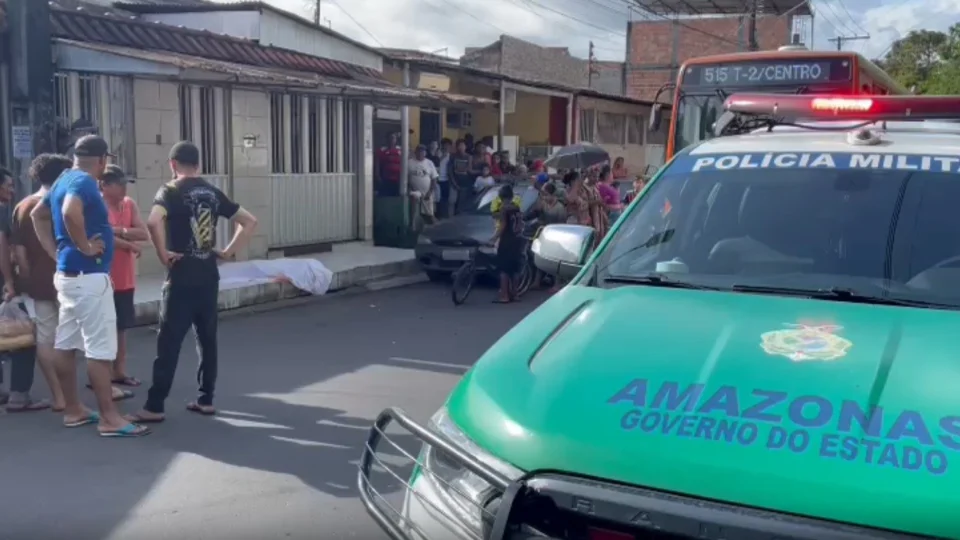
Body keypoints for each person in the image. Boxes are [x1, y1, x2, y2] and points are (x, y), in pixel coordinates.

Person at [128, 141, 257, 423]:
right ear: (198, 164)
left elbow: (152, 222)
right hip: (209, 276)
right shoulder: (212, 192)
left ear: (173, 164)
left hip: (182, 277)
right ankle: (206, 399)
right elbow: (249, 222)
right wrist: (227, 251)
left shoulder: (170, 190)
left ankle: (154, 406)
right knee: (207, 339)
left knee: (169, 343)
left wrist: (163, 255)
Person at [29, 135, 149, 437]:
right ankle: (110, 418)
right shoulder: (83, 182)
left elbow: (37, 214)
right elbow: (70, 212)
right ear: (102, 160)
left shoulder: (62, 179)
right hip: (89, 277)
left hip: (68, 277)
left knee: (65, 343)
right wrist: (83, 246)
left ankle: (73, 410)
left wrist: (56, 251)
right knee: (99, 350)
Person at [7, 154, 73, 413]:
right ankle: (76, 396)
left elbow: (18, 253)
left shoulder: (21, 206)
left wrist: (25, 279)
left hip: (38, 282)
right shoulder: (63, 202)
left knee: (46, 337)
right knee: (73, 338)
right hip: (69, 277)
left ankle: (58, 397)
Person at [0, 166, 47, 413]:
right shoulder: (0, 212)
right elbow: (2, 248)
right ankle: (19, 395)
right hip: (4, 283)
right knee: (20, 335)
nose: (11, 189)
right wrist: (9, 281)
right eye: (7, 184)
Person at [100, 165, 147, 387]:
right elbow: (102, 236)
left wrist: (119, 231)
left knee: (122, 327)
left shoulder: (129, 205)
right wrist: (131, 243)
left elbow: (143, 233)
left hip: (125, 277)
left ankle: (119, 371)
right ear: (105, 185)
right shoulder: (97, 205)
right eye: (120, 184)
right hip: (104, 277)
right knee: (104, 328)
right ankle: (103, 374)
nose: (124, 188)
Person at [489, 184, 524, 304]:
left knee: (504, 269)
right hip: (517, 240)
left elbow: (503, 225)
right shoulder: (516, 207)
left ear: (502, 197)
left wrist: (494, 238)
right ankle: (515, 294)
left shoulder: (504, 208)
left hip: (507, 240)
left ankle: (504, 296)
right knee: (515, 269)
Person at [408, 144, 439, 226]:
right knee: (414, 207)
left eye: (422, 151)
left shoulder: (429, 163)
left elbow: (434, 178)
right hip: (414, 191)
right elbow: (405, 178)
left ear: (425, 153)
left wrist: (430, 192)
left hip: (427, 192)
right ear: (415, 152)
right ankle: (412, 225)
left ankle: (436, 229)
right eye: (419, 151)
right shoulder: (409, 162)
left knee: (430, 215)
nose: (421, 153)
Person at [448, 139, 473, 215]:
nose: (461, 147)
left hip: (465, 182)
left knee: (461, 202)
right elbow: (450, 171)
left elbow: (469, 170)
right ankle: (450, 218)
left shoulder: (469, 156)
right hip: (454, 181)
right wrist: (454, 183)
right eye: (459, 145)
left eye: (462, 145)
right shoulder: (453, 156)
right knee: (451, 201)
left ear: (465, 147)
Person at [436, 139, 453, 218]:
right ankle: (439, 215)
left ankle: (445, 215)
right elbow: (436, 162)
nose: (446, 147)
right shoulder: (438, 153)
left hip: (446, 179)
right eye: (444, 145)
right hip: (438, 179)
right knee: (438, 198)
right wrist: (443, 156)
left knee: (446, 199)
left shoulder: (451, 155)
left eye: (448, 145)